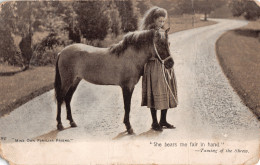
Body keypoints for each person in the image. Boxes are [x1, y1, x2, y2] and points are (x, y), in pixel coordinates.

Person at [140, 6, 178, 131]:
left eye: (163, 21)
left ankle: (163, 120)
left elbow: (166, 49)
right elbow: (144, 52)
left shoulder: (163, 31)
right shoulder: (148, 34)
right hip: (154, 65)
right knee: (155, 91)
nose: (161, 23)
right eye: (159, 21)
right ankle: (154, 122)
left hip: (165, 65)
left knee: (166, 91)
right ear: (153, 20)